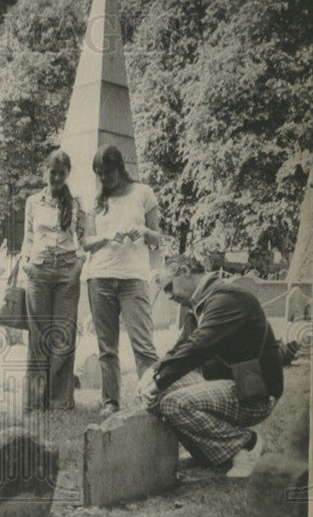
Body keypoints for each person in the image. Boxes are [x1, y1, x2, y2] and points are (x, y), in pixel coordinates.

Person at [138, 256, 284, 478]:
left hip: (256, 394)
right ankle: (206, 454)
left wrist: (158, 384)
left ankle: (247, 444)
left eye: (169, 287)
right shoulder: (202, 304)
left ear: (185, 271)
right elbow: (180, 347)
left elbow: (198, 348)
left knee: (175, 404)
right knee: (160, 392)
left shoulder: (228, 299)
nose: (169, 296)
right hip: (232, 385)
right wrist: (152, 372)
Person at [81, 144, 160, 418]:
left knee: (143, 344)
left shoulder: (143, 193)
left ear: (120, 169)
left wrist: (142, 231)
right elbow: (87, 243)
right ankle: (110, 402)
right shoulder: (95, 200)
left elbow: (157, 238)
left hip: (133, 279)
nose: (104, 179)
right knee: (107, 348)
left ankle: (153, 399)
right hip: (100, 277)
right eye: (100, 174)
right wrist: (106, 237)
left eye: (108, 173)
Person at [20, 148, 87, 411]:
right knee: (38, 337)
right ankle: (35, 401)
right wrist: (26, 263)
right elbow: (28, 237)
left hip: (68, 271)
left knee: (63, 335)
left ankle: (58, 401)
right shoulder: (32, 202)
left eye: (62, 173)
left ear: (68, 174)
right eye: (53, 172)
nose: (57, 178)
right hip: (38, 270)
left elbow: (82, 239)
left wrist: (79, 265)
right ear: (44, 171)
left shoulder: (75, 202)